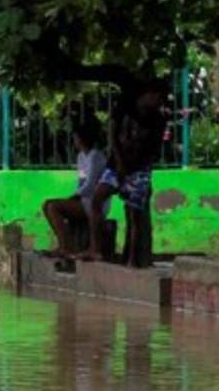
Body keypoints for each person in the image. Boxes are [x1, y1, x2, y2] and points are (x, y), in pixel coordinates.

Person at [83, 81, 165, 267]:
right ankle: (95, 248)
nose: (159, 103)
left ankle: (132, 260)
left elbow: (153, 150)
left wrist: (136, 169)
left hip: (138, 169)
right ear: (149, 93)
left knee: (134, 215)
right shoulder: (125, 108)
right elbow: (113, 135)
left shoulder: (158, 120)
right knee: (97, 198)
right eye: (158, 98)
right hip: (115, 167)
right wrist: (119, 162)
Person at [43, 118, 108, 257]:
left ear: (82, 139)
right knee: (47, 204)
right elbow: (81, 181)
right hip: (83, 199)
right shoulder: (81, 157)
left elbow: (90, 185)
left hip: (94, 202)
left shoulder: (96, 156)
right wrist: (75, 197)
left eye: (76, 138)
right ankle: (64, 243)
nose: (74, 141)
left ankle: (66, 246)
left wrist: (75, 196)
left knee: (53, 207)